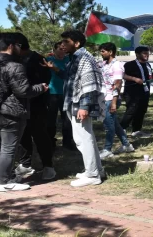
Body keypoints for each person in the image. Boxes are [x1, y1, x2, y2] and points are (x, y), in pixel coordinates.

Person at [0, 32, 48, 192]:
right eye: (18, 45)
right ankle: (3, 182)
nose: (20, 48)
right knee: (8, 148)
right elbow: (23, 91)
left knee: (4, 146)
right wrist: (41, 87)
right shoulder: (14, 66)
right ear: (11, 46)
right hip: (11, 111)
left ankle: (6, 176)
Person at [49, 29, 105, 187]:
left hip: (79, 104)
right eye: (62, 42)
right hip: (74, 102)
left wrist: (84, 106)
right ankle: (95, 170)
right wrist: (55, 69)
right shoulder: (74, 58)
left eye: (66, 41)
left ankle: (93, 174)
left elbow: (90, 84)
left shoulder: (84, 58)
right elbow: (70, 78)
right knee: (87, 138)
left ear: (77, 43)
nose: (62, 44)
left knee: (83, 139)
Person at [14, 33, 56, 181]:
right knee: (23, 136)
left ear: (18, 45)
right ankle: (25, 164)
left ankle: (48, 166)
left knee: (40, 135)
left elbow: (45, 81)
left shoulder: (38, 59)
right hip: (19, 105)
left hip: (37, 104)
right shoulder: (15, 60)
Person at [97, 42, 134, 160]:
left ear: (111, 52)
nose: (101, 53)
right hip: (104, 97)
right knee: (115, 124)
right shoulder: (104, 64)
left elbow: (118, 83)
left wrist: (114, 102)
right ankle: (127, 145)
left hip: (111, 98)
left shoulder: (117, 65)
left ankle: (107, 149)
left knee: (109, 125)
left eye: (103, 51)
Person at [121, 46, 153, 138]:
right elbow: (123, 75)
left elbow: (150, 78)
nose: (147, 55)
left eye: (147, 53)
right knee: (131, 110)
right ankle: (121, 128)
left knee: (141, 111)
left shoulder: (148, 65)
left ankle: (136, 130)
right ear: (137, 54)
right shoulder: (130, 64)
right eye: (144, 53)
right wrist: (134, 79)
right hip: (132, 92)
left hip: (145, 91)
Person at [45, 41, 74, 150]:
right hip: (52, 93)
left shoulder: (69, 60)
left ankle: (67, 142)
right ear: (55, 49)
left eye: (64, 49)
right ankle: (50, 142)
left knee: (67, 119)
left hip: (66, 93)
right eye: (60, 49)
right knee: (51, 120)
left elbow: (68, 75)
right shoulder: (48, 60)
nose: (63, 51)